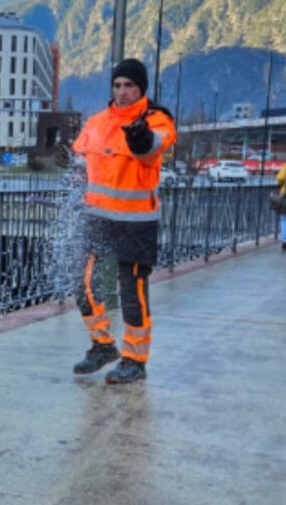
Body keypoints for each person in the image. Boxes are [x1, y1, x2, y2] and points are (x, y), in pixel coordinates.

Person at [69, 58, 177, 384]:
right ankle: (103, 345)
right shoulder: (97, 122)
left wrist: (139, 136)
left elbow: (150, 148)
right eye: (117, 85)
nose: (122, 91)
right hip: (97, 218)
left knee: (132, 291)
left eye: (129, 85)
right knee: (81, 281)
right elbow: (80, 161)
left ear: (141, 88)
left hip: (136, 222)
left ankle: (135, 359)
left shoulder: (156, 120)